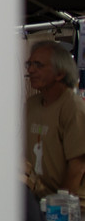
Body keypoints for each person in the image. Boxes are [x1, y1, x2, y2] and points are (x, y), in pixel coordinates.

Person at [24, 40, 85, 198]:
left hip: (73, 205)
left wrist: (57, 208)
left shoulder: (72, 107)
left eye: (38, 65)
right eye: (29, 64)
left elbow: (77, 167)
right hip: (41, 198)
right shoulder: (32, 104)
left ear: (60, 73)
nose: (30, 70)